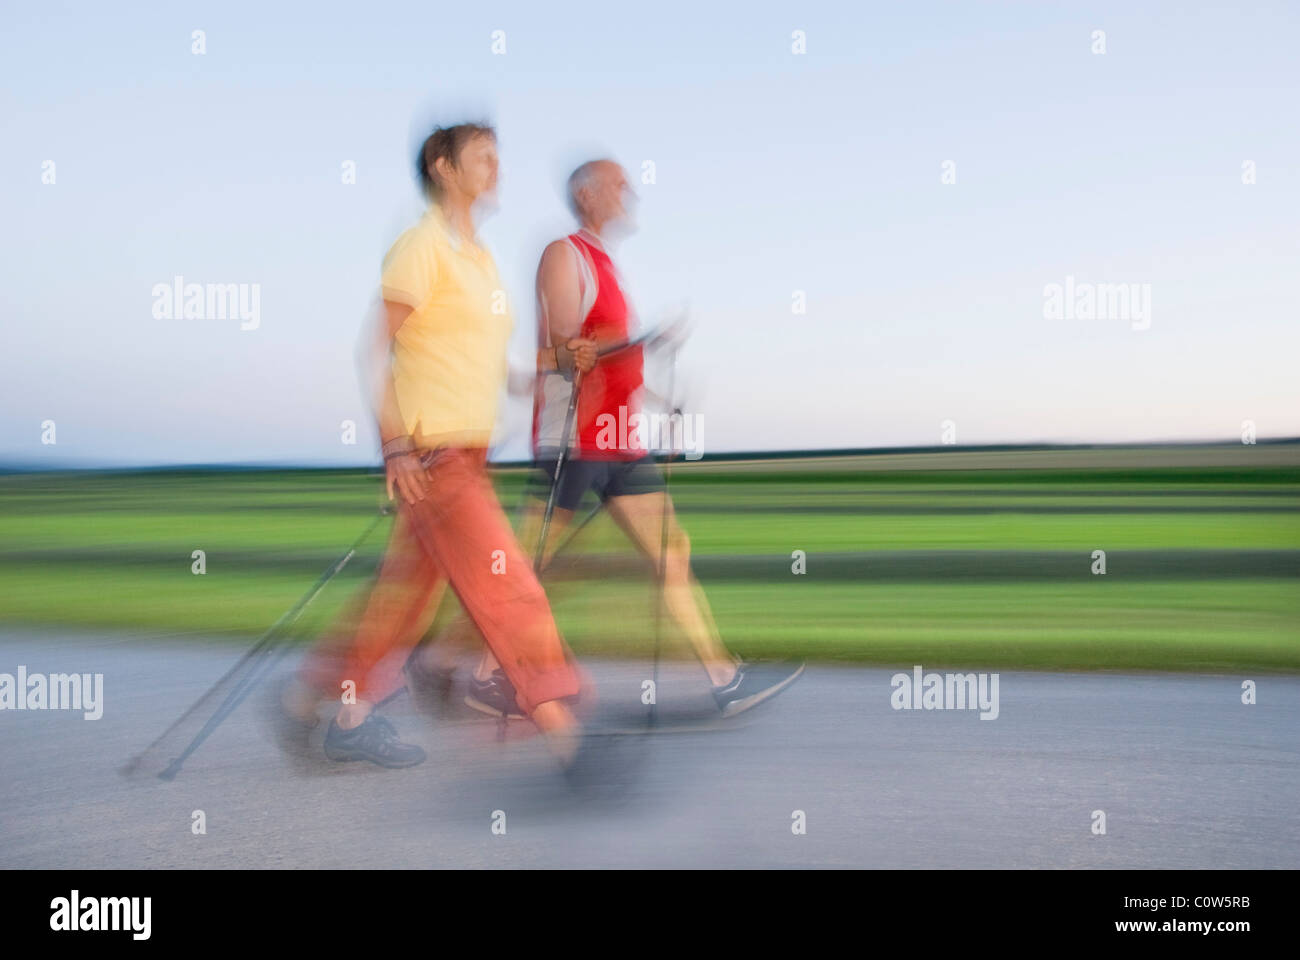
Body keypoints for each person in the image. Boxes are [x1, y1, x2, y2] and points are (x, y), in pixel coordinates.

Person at [412, 159, 804, 721]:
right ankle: (459, 664)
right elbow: (574, 353)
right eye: (619, 184)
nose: (630, 192)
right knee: (526, 571)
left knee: (673, 553)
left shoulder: (609, 265)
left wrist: (658, 401)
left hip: (621, 443)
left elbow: (613, 365)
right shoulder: (563, 254)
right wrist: (646, 339)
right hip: (573, 441)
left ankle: (725, 679)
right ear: (586, 194)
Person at [274, 123, 605, 777]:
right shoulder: (422, 245)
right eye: (484, 157)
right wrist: (395, 447)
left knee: (402, 602)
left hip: (467, 454)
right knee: (510, 590)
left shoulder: (476, 258)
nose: (497, 168)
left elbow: (487, 369)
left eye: (499, 157)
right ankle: (570, 742)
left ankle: (320, 704)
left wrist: (557, 363)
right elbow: (375, 349)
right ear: (444, 167)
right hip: (434, 460)